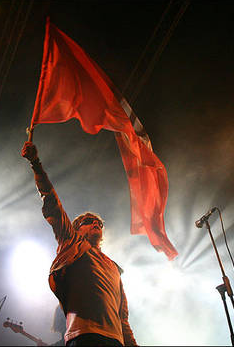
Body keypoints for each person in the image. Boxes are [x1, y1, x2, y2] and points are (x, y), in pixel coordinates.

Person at [21, 141, 137, 347]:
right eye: (88, 221)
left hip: (116, 342)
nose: (95, 223)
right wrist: (35, 164)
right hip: (84, 337)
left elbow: (123, 319)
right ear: (75, 229)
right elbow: (52, 203)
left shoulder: (114, 268)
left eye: (99, 223)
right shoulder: (73, 243)